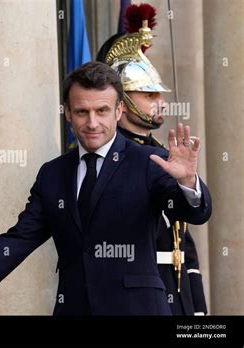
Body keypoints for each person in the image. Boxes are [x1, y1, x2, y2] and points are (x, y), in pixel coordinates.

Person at [0, 61, 212, 315]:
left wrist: (187, 183)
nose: (92, 123)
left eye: (102, 111)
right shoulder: (53, 174)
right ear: (68, 113)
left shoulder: (149, 161)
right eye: (82, 112)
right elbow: (21, 237)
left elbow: (194, 213)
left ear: (119, 111)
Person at [96, 7, 208, 315]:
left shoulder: (163, 152)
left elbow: (184, 243)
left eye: (159, 94)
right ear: (122, 99)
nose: (160, 102)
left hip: (178, 296)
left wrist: (197, 309)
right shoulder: (106, 157)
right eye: (148, 93)